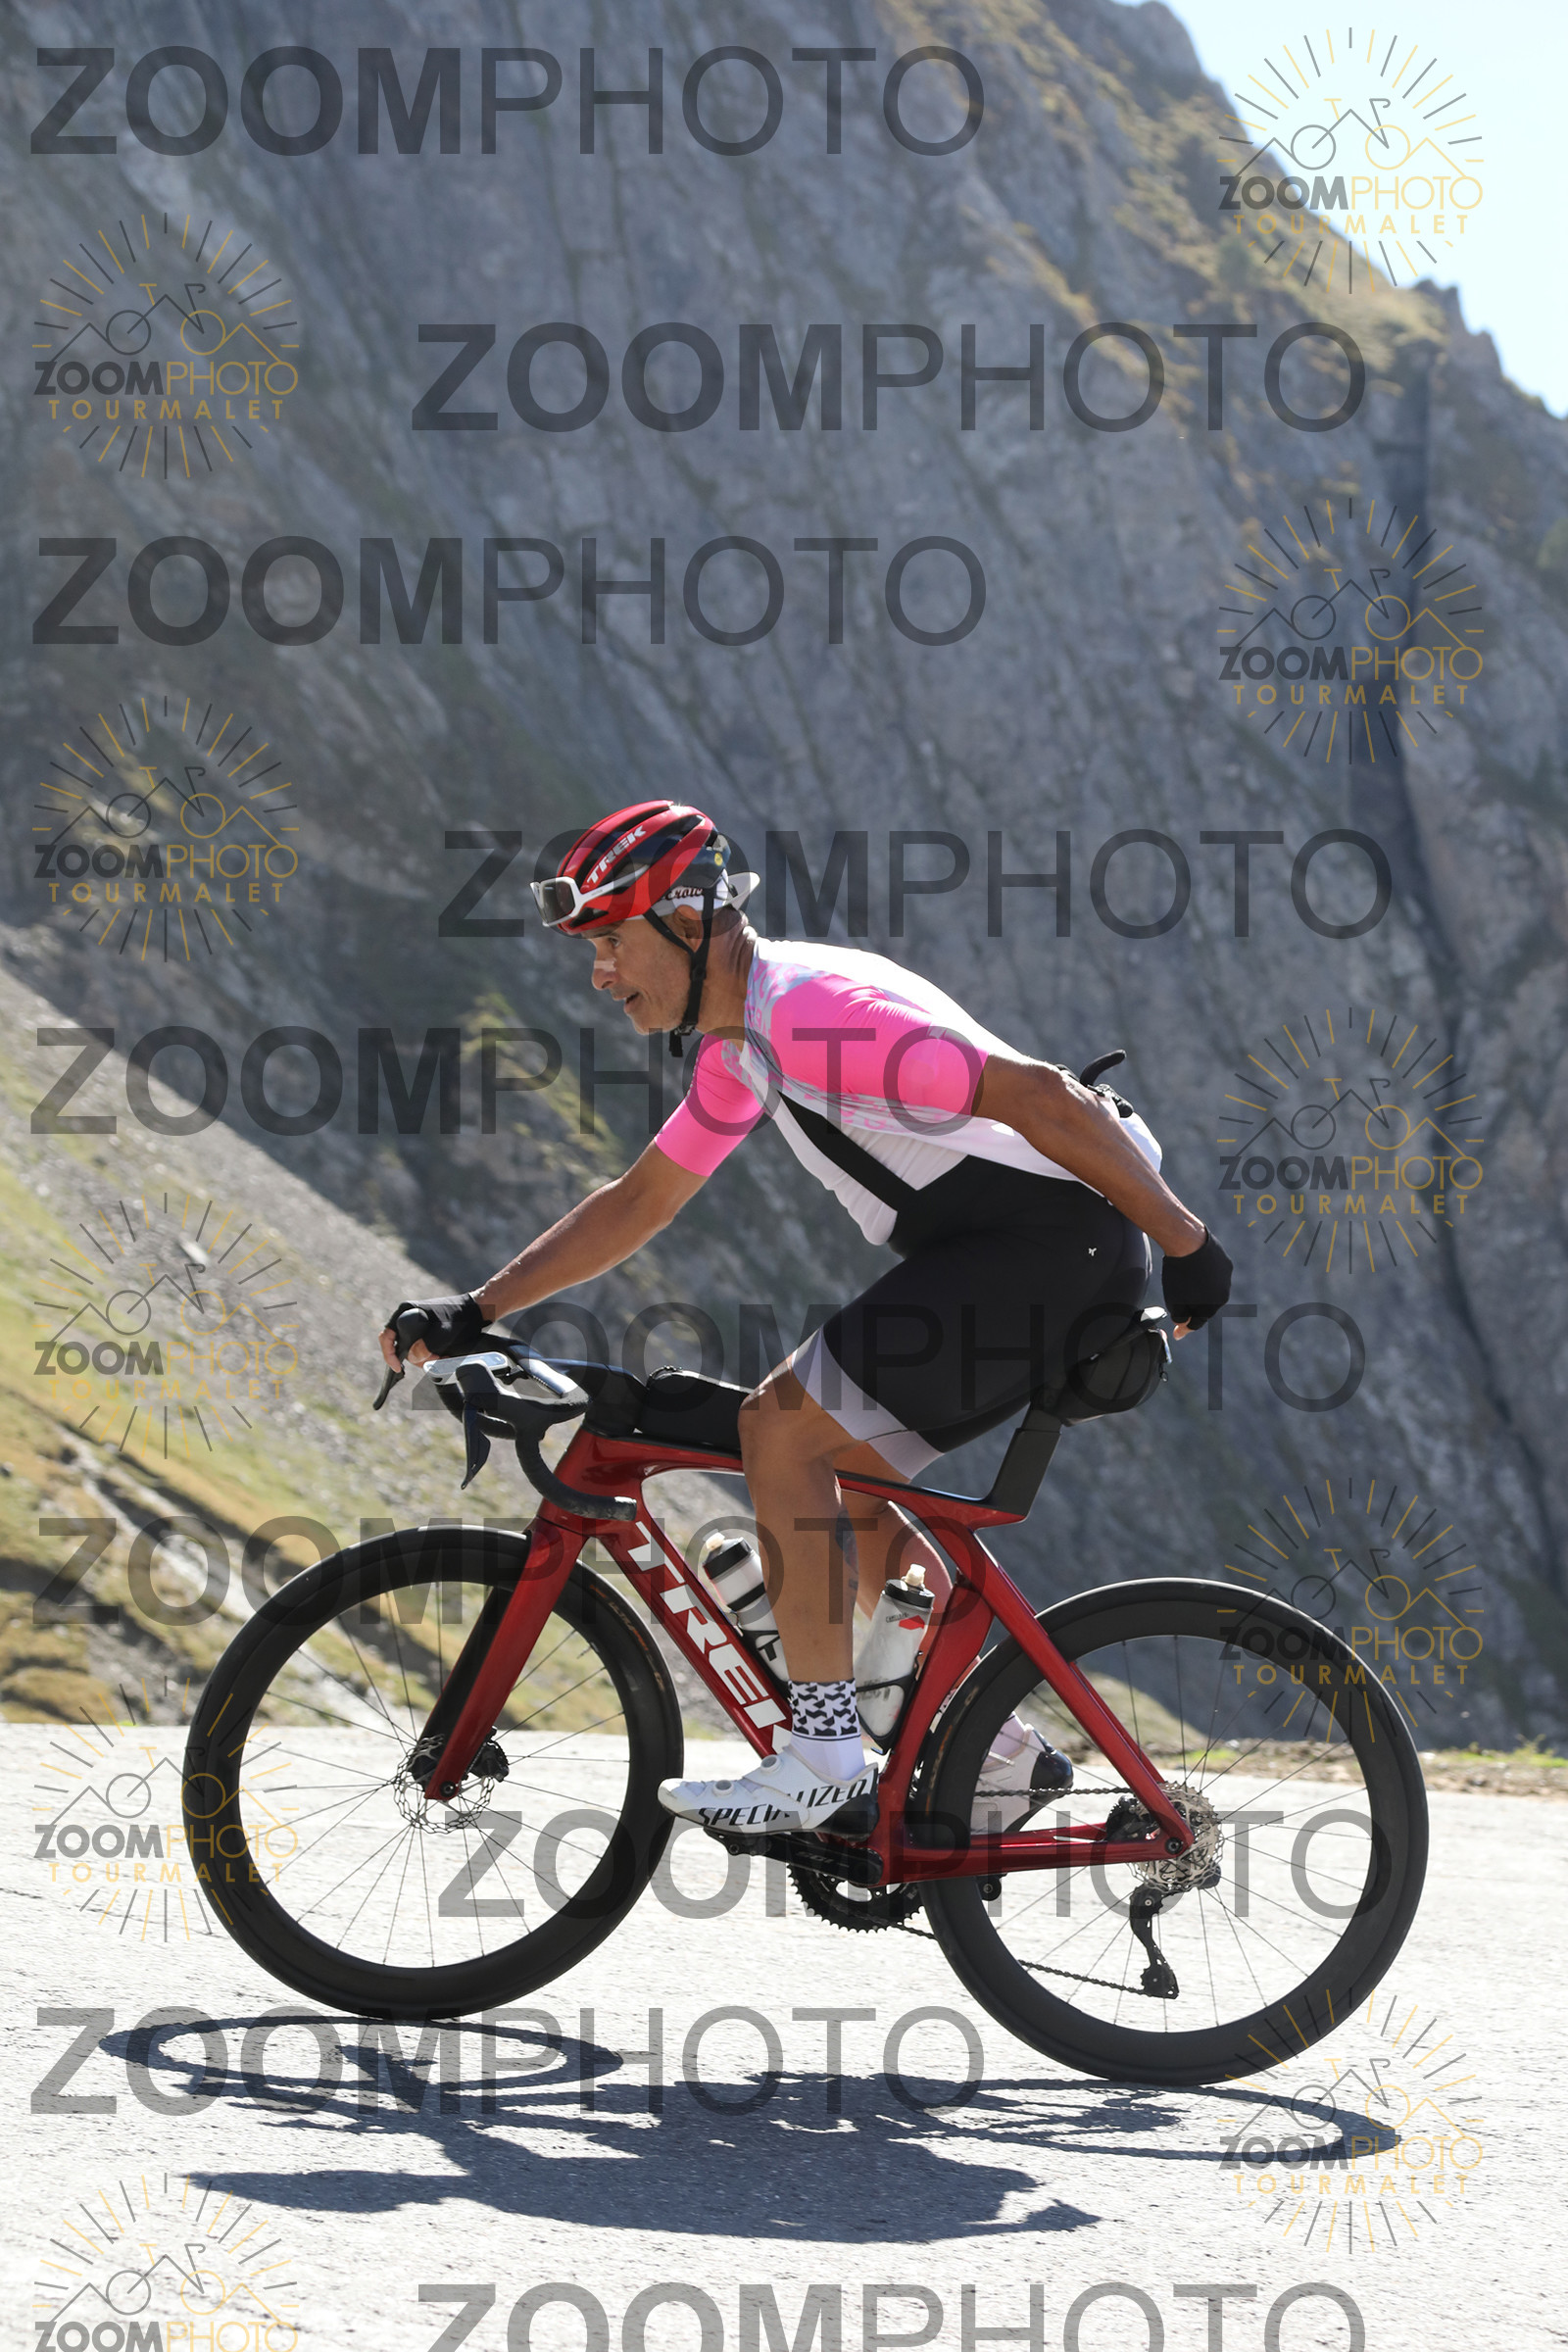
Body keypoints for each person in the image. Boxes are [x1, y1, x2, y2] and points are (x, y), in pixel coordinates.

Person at [380, 801, 1232, 1836]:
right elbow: (641, 1200)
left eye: (611, 943)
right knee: (853, 1489)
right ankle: (1002, 1756)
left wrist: (1190, 1248)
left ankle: (823, 1752)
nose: (599, 974)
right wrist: (476, 1307)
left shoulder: (811, 1017)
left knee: (780, 1428)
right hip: (1023, 1257)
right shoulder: (746, 1042)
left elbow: (1044, 1099)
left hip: (1046, 1253)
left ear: (686, 924)